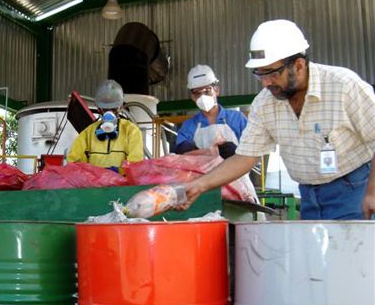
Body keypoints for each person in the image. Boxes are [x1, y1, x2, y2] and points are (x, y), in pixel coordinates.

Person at [181, 19, 375, 220]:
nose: (265, 83)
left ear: (299, 65)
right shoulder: (264, 104)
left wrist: (373, 190)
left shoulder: (343, 86)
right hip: (309, 195)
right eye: (259, 74)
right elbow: (245, 157)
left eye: (272, 73)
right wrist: (198, 186)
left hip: (356, 189)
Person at [67, 79, 144, 172]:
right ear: (98, 109)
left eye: (113, 109)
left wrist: (119, 171)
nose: (109, 113)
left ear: (121, 107)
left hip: (123, 185)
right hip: (94, 185)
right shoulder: (88, 133)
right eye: (105, 109)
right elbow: (73, 162)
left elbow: (136, 164)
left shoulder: (131, 131)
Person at [174, 65, 248, 159]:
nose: (202, 97)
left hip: (237, 173)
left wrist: (234, 152)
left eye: (207, 91)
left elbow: (254, 149)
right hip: (203, 174)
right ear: (192, 97)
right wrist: (209, 152)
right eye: (197, 93)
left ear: (216, 90)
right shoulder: (188, 126)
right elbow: (182, 153)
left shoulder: (237, 119)